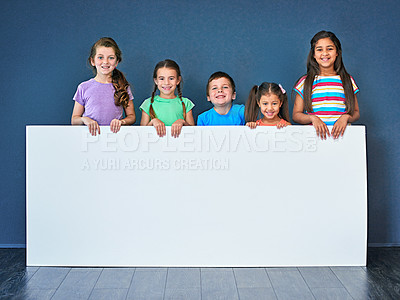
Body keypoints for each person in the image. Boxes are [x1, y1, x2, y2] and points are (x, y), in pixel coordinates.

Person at [292, 30, 360, 139]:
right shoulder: (305, 82)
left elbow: (356, 112)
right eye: (319, 49)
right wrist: (313, 118)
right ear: (314, 54)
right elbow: (296, 115)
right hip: (313, 139)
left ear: (337, 52)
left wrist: (345, 117)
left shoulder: (347, 80)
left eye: (330, 49)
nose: (325, 53)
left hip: (343, 138)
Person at [71, 37, 135, 136]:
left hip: (115, 138)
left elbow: (131, 117)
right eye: (100, 57)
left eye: (111, 58)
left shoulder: (123, 87)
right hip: (89, 139)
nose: (105, 62)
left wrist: (122, 122)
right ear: (92, 61)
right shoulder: (83, 87)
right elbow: (74, 120)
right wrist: (85, 119)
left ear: (116, 62)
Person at [140, 59, 195, 137]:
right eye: (161, 78)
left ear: (178, 80)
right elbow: (141, 134)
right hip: (154, 147)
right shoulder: (148, 104)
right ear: (156, 81)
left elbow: (193, 133)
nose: (166, 83)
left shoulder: (186, 103)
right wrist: (153, 122)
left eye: (171, 78)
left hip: (180, 147)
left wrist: (182, 122)